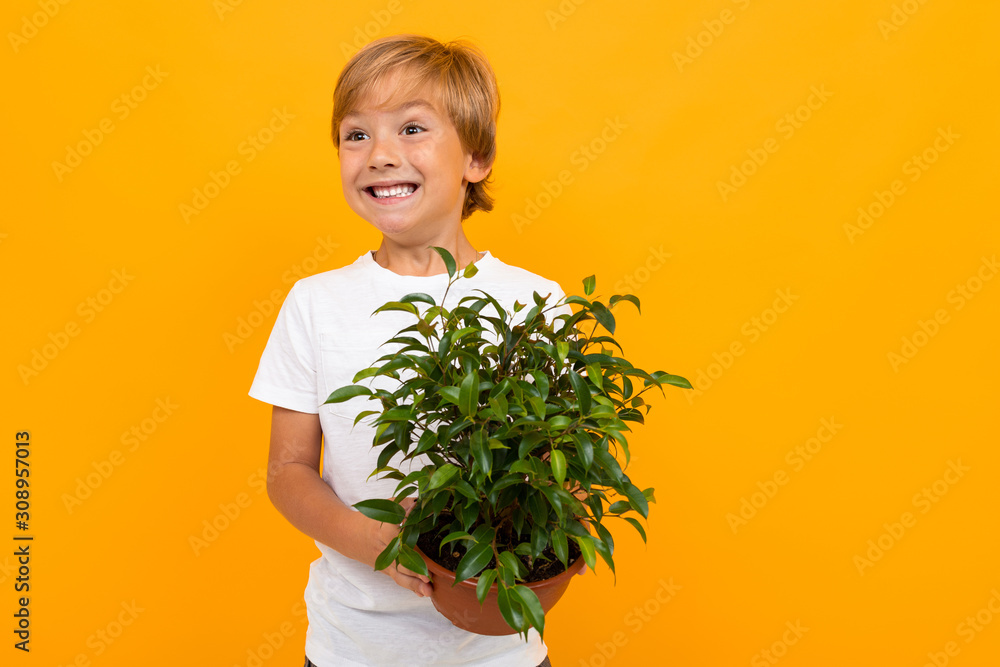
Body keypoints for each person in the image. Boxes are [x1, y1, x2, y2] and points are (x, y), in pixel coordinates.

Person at [249, 34, 567, 666]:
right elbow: (287, 473)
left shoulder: (537, 301)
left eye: (413, 128)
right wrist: (376, 539)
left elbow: (563, 470)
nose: (379, 155)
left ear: (476, 157)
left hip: (497, 654)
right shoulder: (315, 303)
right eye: (356, 135)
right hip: (352, 647)